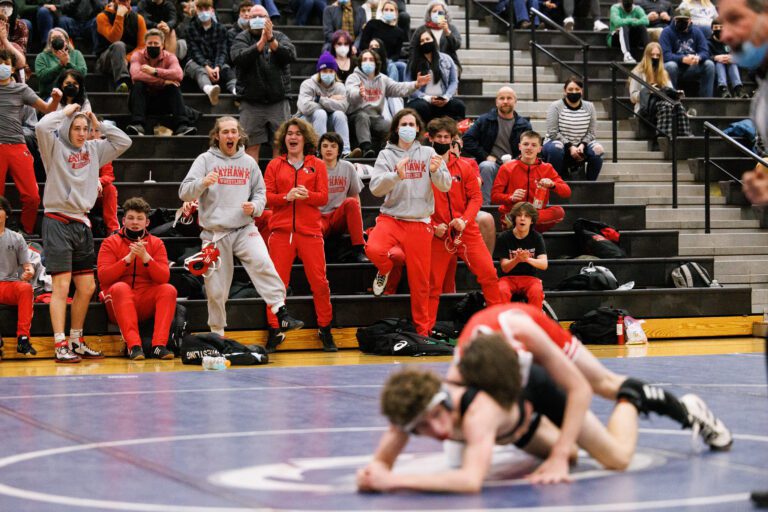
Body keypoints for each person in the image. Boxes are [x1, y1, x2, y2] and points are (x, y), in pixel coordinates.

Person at [358, 316, 732, 492]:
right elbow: (402, 428)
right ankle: (543, 435)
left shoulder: (524, 331)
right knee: (461, 452)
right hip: (496, 374)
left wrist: (560, 452)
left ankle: (636, 400)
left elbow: (578, 390)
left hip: (540, 355)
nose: (437, 432)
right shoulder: (457, 377)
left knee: (603, 384)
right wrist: (377, 467)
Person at [179, 116, 303, 347]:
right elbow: (184, 192)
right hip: (215, 233)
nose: (230, 136)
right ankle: (218, 335)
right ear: (217, 135)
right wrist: (203, 183)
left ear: (239, 135)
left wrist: (255, 207)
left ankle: (281, 311)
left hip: (244, 228)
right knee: (216, 290)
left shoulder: (247, 162)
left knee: (263, 261)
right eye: (225, 132)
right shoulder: (205, 160)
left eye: (233, 131)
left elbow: (261, 193)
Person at [36, 104, 132, 363]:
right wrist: (66, 113)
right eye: (76, 128)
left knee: (87, 287)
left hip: (82, 223)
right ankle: (60, 344)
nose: (81, 133)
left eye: (85, 129)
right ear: (67, 129)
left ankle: (76, 340)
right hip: (57, 221)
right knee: (61, 286)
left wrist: (97, 122)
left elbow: (124, 141)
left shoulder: (94, 149)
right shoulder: (54, 148)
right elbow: (42, 126)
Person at [365, 108, 451, 335]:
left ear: (418, 129)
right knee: (374, 249)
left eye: (412, 125)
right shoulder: (386, 155)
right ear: (396, 128)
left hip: (420, 222)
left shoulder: (428, 152)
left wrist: (435, 172)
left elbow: (446, 185)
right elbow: (374, 188)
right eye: (404, 124)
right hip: (391, 218)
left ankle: (422, 332)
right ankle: (385, 269)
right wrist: (395, 175)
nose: (408, 128)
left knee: (421, 283)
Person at [264, 119, 334, 352]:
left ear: (305, 138)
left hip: (310, 232)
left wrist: (307, 196)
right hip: (281, 232)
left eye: (297, 133)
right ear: (284, 138)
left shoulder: (318, 165)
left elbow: (323, 198)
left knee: (320, 283)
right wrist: (287, 197)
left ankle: (325, 328)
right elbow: (267, 197)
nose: (293, 137)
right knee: (276, 285)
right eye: (289, 133)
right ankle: (275, 330)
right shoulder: (274, 165)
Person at [425, 116, 501, 330]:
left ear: (452, 140)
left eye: (446, 137)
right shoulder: (423, 167)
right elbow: (416, 200)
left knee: (489, 274)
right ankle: (424, 332)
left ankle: (498, 327)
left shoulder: (466, 166)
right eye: (438, 136)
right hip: (437, 233)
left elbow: (477, 198)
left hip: (465, 230)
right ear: (431, 139)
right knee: (432, 286)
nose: (442, 140)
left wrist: (464, 220)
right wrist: (432, 225)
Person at [97, 197, 177, 360]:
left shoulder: (156, 243)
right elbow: (104, 277)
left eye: (140, 219)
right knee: (120, 288)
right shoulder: (109, 243)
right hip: (117, 302)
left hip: (144, 301)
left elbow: (164, 277)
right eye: (131, 218)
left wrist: (146, 258)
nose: (135, 222)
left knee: (168, 290)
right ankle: (133, 346)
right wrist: (128, 259)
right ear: (123, 220)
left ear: (147, 222)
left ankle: (159, 346)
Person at [0, 49, 62, 237]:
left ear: (12, 68)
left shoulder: (22, 89)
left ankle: (25, 230)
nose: (1, 66)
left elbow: (47, 109)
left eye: (5, 63)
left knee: (32, 196)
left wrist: (56, 99)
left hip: (18, 145)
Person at [230, 4, 297, 162]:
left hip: (278, 101)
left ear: (269, 20)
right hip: (251, 102)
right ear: (247, 20)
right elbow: (238, 58)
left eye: (261, 17)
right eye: (253, 17)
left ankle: (276, 184)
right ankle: (252, 185)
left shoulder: (279, 36)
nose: (257, 20)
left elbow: (290, 55)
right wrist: (261, 43)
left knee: (280, 147)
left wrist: (271, 40)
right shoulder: (242, 37)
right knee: (250, 147)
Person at [345, 49, 430, 157]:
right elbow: (350, 93)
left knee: (390, 126)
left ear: (376, 62)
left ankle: (386, 151)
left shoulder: (382, 79)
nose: (368, 62)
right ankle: (366, 149)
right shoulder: (354, 77)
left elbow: (398, 88)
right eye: (365, 59)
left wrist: (416, 84)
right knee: (362, 117)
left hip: (376, 117)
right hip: (356, 116)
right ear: (360, 62)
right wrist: (358, 93)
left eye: (371, 60)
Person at [463, 86, 533, 204]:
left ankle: (521, 208)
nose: (505, 101)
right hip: (493, 164)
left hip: (515, 165)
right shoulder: (484, 120)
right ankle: (485, 206)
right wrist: (486, 156)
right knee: (486, 166)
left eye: (509, 98)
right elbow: (467, 140)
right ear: (496, 102)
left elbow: (529, 147)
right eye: (502, 98)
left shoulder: (524, 125)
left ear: (515, 101)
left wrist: (517, 161)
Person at [492, 130, 571, 233]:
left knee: (559, 212)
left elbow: (567, 192)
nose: (529, 147)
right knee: (517, 217)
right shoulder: (507, 168)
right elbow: (494, 197)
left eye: (534, 145)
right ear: (519, 147)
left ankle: (525, 226)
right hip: (514, 213)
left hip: (536, 216)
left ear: (539, 149)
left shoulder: (547, 168)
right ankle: (523, 226)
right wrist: (511, 197)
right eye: (525, 144)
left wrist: (553, 185)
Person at [126, 28, 196, 137]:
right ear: (145, 44)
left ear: (162, 45)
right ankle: (138, 125)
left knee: (173, 86)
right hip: (141, 102)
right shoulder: (137, 55)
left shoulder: (170, 57)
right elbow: (136, 75)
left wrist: (154, 71)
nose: (153, 45)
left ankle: (182, 126)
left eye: (156, 43)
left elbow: (179, 74)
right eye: (150, 43)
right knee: (138, 84)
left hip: (163, 103)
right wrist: (163, 81)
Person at [318, 132, 368, 263]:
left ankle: (358, 250)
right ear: (320, 149)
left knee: (351, 202)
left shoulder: (348, 167)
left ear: (339, 149)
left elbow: (355, 197)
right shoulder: (313, 169)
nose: (329, 149)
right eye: (325, 146)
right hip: (319, 217)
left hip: (337, 216)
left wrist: (359, 227)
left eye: (333, 146)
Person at [542, 77, 604, 180]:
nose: (574, 92)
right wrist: (570, 146)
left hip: (581, 145)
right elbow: (552, 132)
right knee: (556, 148)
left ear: (582, 91)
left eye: (577, 89)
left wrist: (582, 145)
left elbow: (591, 133)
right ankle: (554, 182)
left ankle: (590, 185)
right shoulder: (555, 106)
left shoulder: (589, 106)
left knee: (598, 150)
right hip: (557, 142)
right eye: (570, 89)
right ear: (565, 91)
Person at [628, 42, 693, 136]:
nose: (655, 57)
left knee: (677, 105)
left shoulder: (663, 73)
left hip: (661, 103)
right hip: (645, 108)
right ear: (647, 56)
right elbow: (633, 97)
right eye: (652, 55)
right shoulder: (637, 72)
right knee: (666, 106)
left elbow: (669, 90)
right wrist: (649, 92)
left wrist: (676, 93)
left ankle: (685, 135)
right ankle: (663, 137)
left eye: (658, 55)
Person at [297, 52, 354, 158]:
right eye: (324, 71)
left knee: (340, 115)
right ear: (319, 72)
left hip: (327, 121)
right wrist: (330, 101)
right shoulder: (308, 84)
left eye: (331, 71)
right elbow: (305, 107)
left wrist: (319, 99)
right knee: (320, 113)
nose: (328, 73)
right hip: (308, 121)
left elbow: (344, 107)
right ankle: (319, 150)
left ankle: (345, 152)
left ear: (335, 72)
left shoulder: (340, 87)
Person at [405, 27, 465, 124]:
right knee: (421, 106)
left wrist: (447, 97)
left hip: (442, 99)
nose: (425, 42)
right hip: (422, 99)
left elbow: (454, 81)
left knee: (458, 105)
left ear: (433, 40)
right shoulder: (413, 63)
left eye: (427, 39)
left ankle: (454, 135)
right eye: (422, 41)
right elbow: (409, 86)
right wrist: (428, 98)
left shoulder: (446, 59)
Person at [0, 195, 36, 359]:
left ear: (6, 214)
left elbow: (27, 265)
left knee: (26, 288)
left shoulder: (16, 238)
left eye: (0, 209)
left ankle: (23, 339)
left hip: (9, 284)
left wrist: (29, 272)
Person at [496, 202, 547, 308]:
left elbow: (544, 264)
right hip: (508, 278)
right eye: (519, 215)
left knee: (536, 292)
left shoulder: (537, 237)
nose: (522, 218)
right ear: (514, 219)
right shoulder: (504, 237)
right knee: (501, 290)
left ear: (532, 221)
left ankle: (534, 322)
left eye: (527, 216)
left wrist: (527, 259)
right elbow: (505, 268)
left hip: (530, 278)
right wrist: (516, 260)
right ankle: (502, 322)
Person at [185, 0, 236, 104]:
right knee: (200, 71)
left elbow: (221, 51)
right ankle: (210, 90)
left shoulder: (221, 29)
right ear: (196, 10)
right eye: (200, 9)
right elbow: (195, 52)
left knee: (227, 70)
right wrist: (207, 67)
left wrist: (217, 67)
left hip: (215, 62)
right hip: (195, 63)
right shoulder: (190, 28)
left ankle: (236, 91)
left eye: (206, 9)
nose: (204, 12)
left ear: (212, 10)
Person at [659, 4, 715, 98]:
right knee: (670, 66)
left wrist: (698, 57)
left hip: (692, 66)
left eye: (684, 20)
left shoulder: (697, 32)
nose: (681, 22)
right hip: (676, 67)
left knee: (709, 65)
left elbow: (705, 52)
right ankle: (671, 98)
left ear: (690, 20)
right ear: (674, 19)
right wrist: (682, 59)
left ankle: (706, 100)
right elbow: (665, 55)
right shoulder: (667, 32)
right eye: (679, 20)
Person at [96, 0, 148, 92]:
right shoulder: (102, 17)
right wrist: (119, 16)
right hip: (105, 61)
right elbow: (114, 39)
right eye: (121, 1)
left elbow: (142, 46)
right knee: (118, 45)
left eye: (126, 0)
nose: (124, 3)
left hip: (129, 61)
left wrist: (126, 59)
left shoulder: (139, 19)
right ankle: (122, 82)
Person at [359, 0, 408, 81]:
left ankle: (400, 91)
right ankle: (391, 91)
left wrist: (388, 60)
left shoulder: (399, 32)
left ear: (396, 12)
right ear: (382, 11)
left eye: (391, 10)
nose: (388, 12)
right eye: (386, 9)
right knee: (392, 67)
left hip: (388, 60)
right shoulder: (372, 23)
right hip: (371, 57)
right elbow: (362, 44)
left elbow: (397, 54)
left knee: (402, 65)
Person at [34, 28, 87, 101]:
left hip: (75, 96)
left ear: (66, 40)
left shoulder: (76, 54)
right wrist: (60, 65)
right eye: (54, 38)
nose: (57, 39)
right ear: (49, 42)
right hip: (51, 97)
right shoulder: (42, 56)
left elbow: (83, 74)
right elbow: (42, 77)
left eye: (59, 37)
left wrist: (68, 63)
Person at [410, 1, 462, 73]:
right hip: (426, 63)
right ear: (429, 14)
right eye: (434, 11)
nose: (437, 14)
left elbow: (456, 46)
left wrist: (447, 32)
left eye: (440, 12)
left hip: (449, 63)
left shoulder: (451, 28)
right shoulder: (421, 30)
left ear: (445, 14)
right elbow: (413, 47)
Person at [90, 121, 120, 234]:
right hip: (80, 193)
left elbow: (109, 176)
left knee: (110, 188)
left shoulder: (103, 149)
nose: (92, 134)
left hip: (97, 193)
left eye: (96, 130)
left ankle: (112, 229)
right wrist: (91, 181)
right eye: (90, 130)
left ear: (101, 133)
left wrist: (98, 180)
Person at [709, 18, 748, 98]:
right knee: (720, 62)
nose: (719, 30)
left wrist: (732, 57)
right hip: (716, 65)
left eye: (721, 27)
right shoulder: (708, 42)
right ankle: (723, 88)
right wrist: (715, 57)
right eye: (716, 28)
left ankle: (738, 88)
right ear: (712, 29)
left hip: (730, 63)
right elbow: (705, 55)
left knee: (732, 62)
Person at [0, 0, 27, 71]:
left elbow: (21, 62)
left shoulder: (21, 25)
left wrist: (4, 40)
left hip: (12, 66)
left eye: (8, 5)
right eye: (2, 5)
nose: (5, 8)